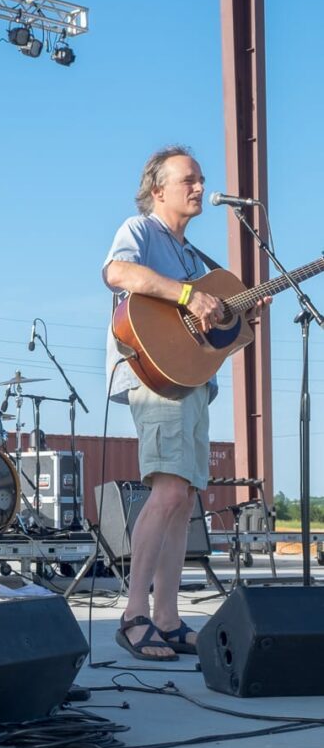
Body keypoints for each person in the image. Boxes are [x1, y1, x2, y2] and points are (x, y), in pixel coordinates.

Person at [102, 145, 224, 660]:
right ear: (159, 190)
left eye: (200, 179)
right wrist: (187, 296)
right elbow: (118, 274)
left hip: (193, 380)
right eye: (188, 180)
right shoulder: (139, 230)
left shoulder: (195, 257)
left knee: (184, 499)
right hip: (156, 377)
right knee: (168, 491)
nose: (199, 187)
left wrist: (236, 317)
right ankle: (134, 615)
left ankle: (169, 618)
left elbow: (205, 330)